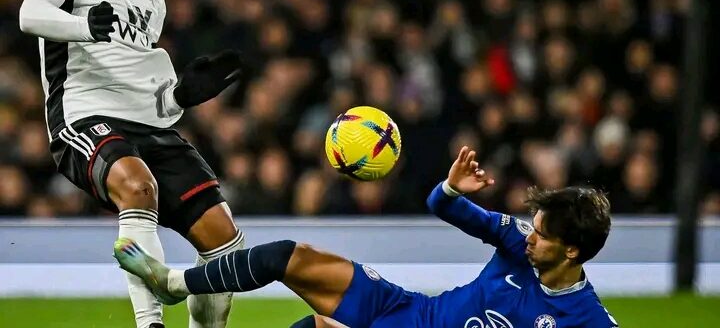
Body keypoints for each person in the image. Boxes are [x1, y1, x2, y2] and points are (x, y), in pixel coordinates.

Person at [115, 146, 620, 328]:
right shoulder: (515, 241)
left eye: (544, 236)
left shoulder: (588, 319)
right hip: (406, 310)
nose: (531, 238)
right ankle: (172, 282)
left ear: (572, 251)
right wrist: (452, 187)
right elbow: (441, 206)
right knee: (289, 257)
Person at [19, 0, 247, 327]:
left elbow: (147, 92)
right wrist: (83, 25)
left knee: (224, 242)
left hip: (146, 124)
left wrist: (180, 97)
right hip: (84, 111)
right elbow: (30, 14)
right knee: (138, 186)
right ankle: (149, 322)